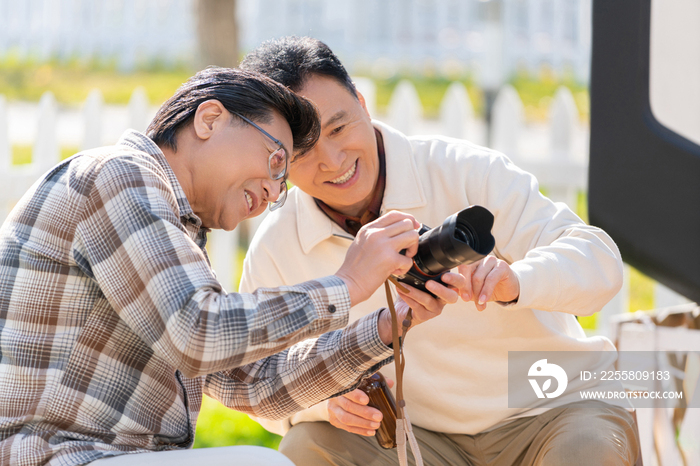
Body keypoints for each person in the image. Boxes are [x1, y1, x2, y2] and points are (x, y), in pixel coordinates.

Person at [0, 67, 462, 466]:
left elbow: (254, 383)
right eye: (276, 159)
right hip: (56, 454)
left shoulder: (175, 231)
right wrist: (349, 282)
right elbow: (198, 332)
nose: (272, 192)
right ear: (210, 118)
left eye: (282, 183)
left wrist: (388, 325)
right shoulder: (119, 175)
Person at [239, 37, 641, 465]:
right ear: (276, 158)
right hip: (417, 441)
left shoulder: (465, 171)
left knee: (588, 450)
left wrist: (515, 281)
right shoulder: (278, 245)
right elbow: (249, 380)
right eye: (303, 150)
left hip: (552, 410)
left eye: (339, 128)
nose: (333, 160)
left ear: (362, 102)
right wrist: (322, 405)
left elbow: (598, 259)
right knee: (309, 444)